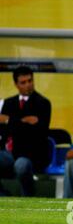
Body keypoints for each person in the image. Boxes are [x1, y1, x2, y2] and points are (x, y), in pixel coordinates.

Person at [0, 66, 51, 196]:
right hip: (9, 153)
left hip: (31, 154)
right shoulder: (8, 103)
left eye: (30, 81)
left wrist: (9, 120)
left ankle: (27, 196)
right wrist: (23, 122)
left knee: (21, 165)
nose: (28, 85)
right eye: (23, 82)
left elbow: (38, 132)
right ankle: (2, 194)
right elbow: (5, 131)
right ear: (16, 84)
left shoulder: (43, 103)